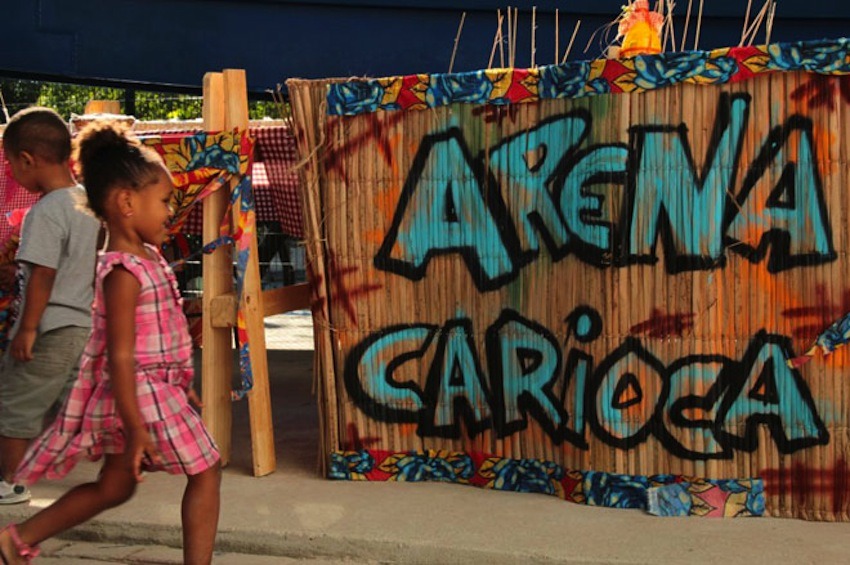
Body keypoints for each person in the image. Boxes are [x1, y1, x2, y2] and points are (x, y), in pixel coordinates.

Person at [0, 121, 221, 565]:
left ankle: (15, 538)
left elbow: (163, 331)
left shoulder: (149, 257)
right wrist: (136, 425)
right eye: (163, 202)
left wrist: (180, 380)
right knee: (206, 470)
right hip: (140, 392)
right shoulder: (123, 272)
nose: (169, 212)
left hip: (154, 389)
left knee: (114, 487)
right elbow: (119, 355)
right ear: (125, 202)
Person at [0, 107, 101, 505]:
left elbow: (42, 275)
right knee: (74, 400)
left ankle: (11, 483)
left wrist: (26, 329)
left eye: (10, 165)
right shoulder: (89, 204)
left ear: (28, 160)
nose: (10, 174)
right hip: (82, 325)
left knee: (16, 402)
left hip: (48, 326)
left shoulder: (44, 211)